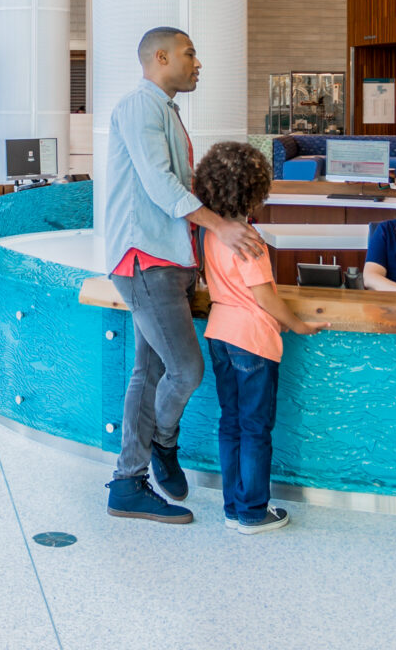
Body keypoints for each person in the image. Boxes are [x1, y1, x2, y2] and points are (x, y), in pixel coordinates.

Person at [96, 26, 268, 526]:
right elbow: (158, 183)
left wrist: (225, 220)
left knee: (148, 373)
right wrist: (221, 227)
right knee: (186, 370)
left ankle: (129, 482)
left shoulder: (164, 111)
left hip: (167, 261)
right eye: (191, 53)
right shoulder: (139, 106)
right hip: (144, 261)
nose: (198, 63)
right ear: (161, 55)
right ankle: (162, 444)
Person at [190, 141, 320, 533]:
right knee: (255, 429)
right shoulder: (248, 239)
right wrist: (297, 324)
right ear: (256, 190)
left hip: (219, 333)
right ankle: (252, 512)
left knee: (230, 422)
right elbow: (263, 296)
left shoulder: (212, 234)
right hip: (251, 339)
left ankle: (234, 506)